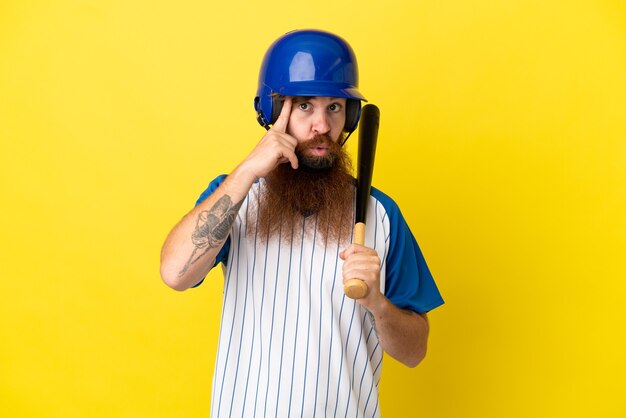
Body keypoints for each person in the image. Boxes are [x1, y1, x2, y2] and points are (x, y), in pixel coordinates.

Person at [160, 29, 444, 418]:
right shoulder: (233, 197)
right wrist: (246, 171)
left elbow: (415, 352)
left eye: (334, 108)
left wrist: (378, 304)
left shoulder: (381, 214)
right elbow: (175, 273)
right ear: (273, 112)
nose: (322, 127)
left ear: (351, 116)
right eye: (305, 106)